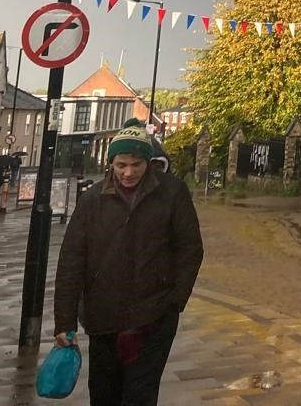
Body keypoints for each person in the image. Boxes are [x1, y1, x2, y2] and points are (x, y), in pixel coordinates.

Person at [53, 122, 204, 406]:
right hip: (103, 317)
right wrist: (64, 321)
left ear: (148, 162)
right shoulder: (92, 200)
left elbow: (190, 248)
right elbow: (72, 260)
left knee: (139, 395)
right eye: (121, 164)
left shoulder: (172, 192)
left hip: (153, 317)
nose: (128, 172)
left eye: (136, 164)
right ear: (111, 162)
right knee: (104, 394)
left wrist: (175, 301)